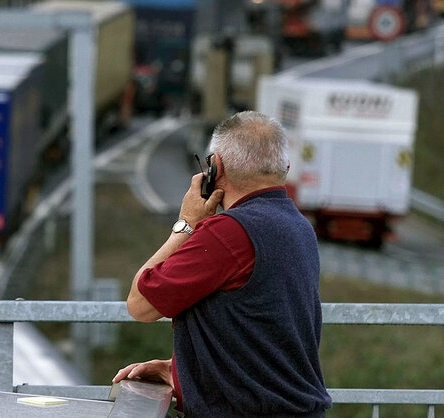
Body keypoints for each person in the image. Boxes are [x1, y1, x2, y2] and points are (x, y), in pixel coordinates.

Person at [113, 111, 332, 417]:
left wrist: (186, 224)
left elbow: (141, 303)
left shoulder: (229, 233)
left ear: (215, 167)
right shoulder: (298, 227)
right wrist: (181, 372)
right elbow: (263, 333)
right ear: (286, 166)